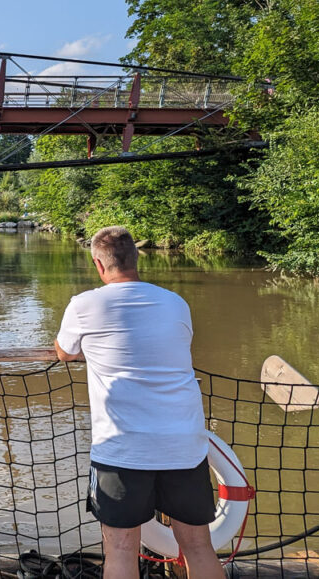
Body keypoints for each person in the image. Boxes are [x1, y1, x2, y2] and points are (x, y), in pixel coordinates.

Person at [54, 227, 222, 579]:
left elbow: (65, 353)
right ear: (136, 258)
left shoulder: (84, 304)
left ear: (99, 264)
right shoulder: (175, 302)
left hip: (122, 448)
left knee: (119, 551)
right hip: (183, 446)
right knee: (197, 546)